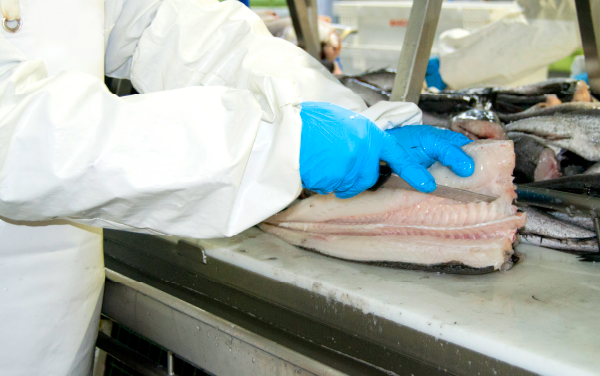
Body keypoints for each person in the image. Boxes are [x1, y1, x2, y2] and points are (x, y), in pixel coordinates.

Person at [0, 0, 474, 374]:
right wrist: (276, 143)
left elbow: (177, 27)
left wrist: (359, 120)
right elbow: (19, 139)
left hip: (55, 326)